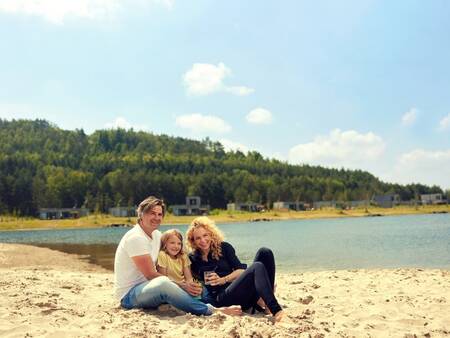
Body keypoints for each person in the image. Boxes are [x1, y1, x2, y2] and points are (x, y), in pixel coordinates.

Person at [114, 196, 241, 316]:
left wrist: (191, 279)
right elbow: (151, 275)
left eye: (159, 214)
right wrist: (182, 285)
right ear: (141, 214)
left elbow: (178, 249)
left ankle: (214, 301)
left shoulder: (157, 235)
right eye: (152, 213)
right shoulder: (136, 238)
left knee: (196, 285)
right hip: (129, 295)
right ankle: (211, 310)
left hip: (149, 289)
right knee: (164, 283)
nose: (156, 217)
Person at [186, 216, 284, 322]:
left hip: (238, 290)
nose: (203, 240)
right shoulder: (193, 258)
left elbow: (241, 271)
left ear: (211, 234)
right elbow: (190, 281)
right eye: (198, 238)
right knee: (257, 266)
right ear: (193, 241)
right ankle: (277, 310)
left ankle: (267, 303)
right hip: (222, 298)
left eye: (205, 235)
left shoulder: (224, 247)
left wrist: (223, 279)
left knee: (265, 252)